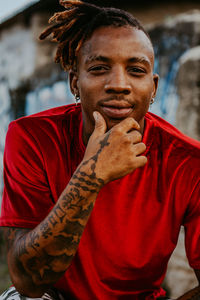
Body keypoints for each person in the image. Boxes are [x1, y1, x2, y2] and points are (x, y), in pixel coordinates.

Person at [0, 0, 200, 299]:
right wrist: (90, 176)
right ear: (74, 83)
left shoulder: (188, 161)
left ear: (153, 87)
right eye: (98, 68)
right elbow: (28, 281)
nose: (119, 84)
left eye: (135, 70)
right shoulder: (32, 137)